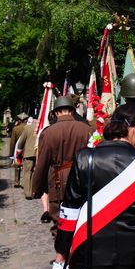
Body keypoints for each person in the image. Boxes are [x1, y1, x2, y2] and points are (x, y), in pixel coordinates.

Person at [49, 103, 135, 269]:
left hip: (89, 254)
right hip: (134, 257)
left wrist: (60, 259)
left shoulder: (84, 158)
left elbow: (69, 212)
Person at [32, 96, 93, 224]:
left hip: (58, 182)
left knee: (60, 223)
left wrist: (37, 188)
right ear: (72, 111)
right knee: (82, 221)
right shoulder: (87, 130)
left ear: (55, 113)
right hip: (83, 180)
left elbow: (42, 163)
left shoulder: (48, 133)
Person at [14, 116, 38, 199]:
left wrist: (19, 153)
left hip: (28, 153)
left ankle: (28, 193)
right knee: (35, 173)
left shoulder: (28, 128)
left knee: (28, 173)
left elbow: (21, 142)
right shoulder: (42, 127)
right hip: (39, 154)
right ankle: (34, 191)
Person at [10, 113, 28, 188]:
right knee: (25, 166)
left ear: (19, 120)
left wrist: (11, 154)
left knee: (17, 166)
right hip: (26, 149)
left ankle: (16, 182)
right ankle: (24, 183)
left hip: (17, 150)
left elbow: (12, 142)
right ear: (25, 120)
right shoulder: (28, 128)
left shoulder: (15, 129)